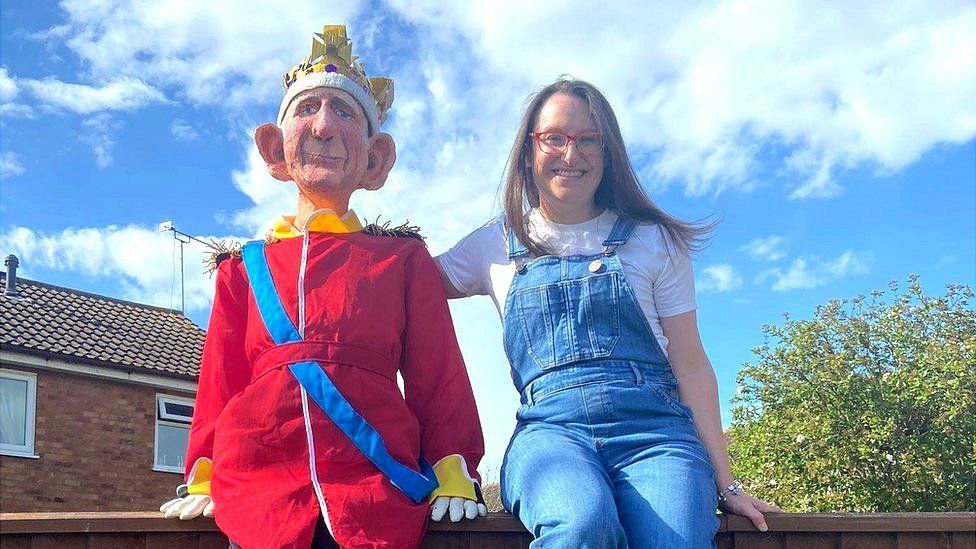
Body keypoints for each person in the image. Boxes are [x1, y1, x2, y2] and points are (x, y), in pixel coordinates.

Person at [159, 25, 487, 548]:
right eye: (307, 108)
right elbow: (220, 380)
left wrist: (453, 467)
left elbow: (437, 372)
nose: (324, 126)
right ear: (274, 147)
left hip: (375, 488)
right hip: (258, 488)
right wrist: (204, 469)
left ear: (375, 159)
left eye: (346, 112)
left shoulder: (402, 259)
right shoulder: (242, 269)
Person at [436, 78, 780, 548]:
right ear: (528, 150)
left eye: (588, 139)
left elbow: (692, 363)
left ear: (608, 150)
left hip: (657, 435)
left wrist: (728, 484)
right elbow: (406, 284)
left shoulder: (654, 240)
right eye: (554, 137)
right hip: (550, 434)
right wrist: (349, 234)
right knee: (581, 526)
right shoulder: (491, 245)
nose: (571, 154)